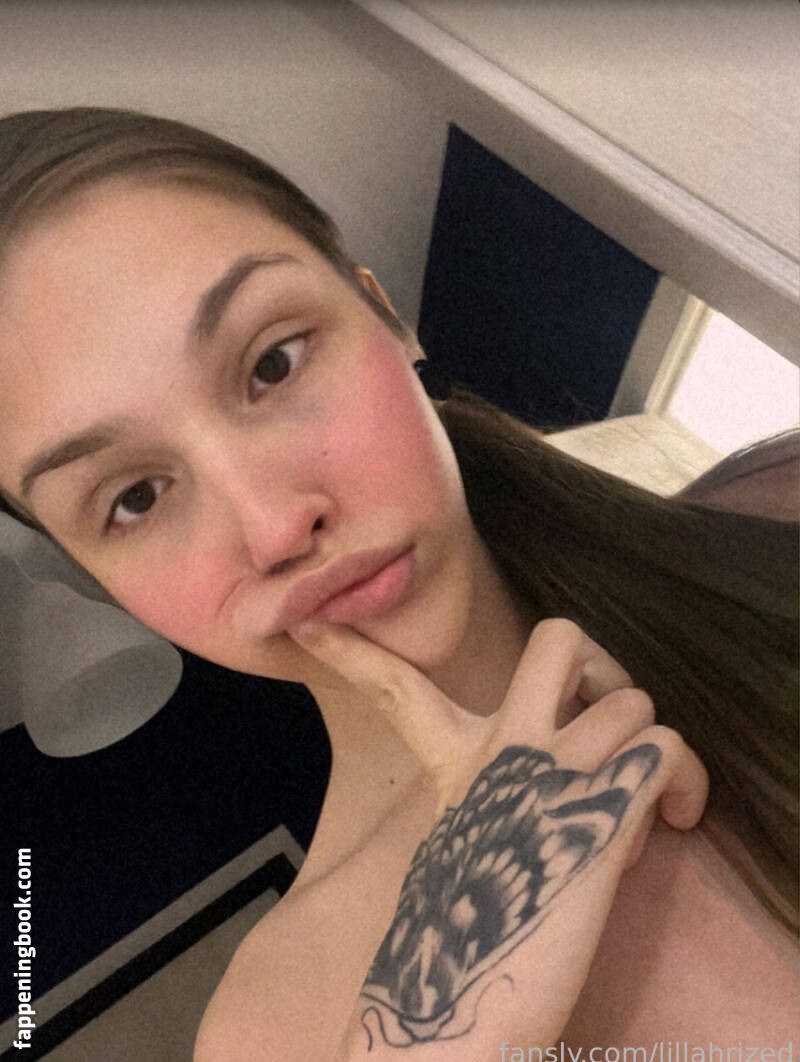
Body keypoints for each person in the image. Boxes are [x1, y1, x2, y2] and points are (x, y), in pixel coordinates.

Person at [0, 108, 795, 1060]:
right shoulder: (271, 1034)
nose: (274, 525)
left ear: (387, 317)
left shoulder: (778, 519)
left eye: (273, 363)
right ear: (101, 582)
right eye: (134, 498)